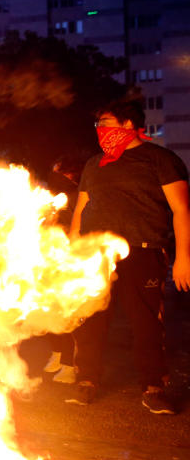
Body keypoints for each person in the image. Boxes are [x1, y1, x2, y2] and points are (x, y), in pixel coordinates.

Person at [67, 100, 190, 413]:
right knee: (90, 320)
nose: (100, 129)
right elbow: (82, 210)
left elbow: (181, 209)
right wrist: (72, 253)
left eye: (106, 122)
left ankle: (153, 387)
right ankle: (87, 380)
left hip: (143, 250)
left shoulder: (160, 159)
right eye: (98, 125)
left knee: (146, 323)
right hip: (96, 255)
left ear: (128, 125)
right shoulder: (95, 163)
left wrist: (183, 257)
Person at [43, 156, 83, 383]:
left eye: (61, 172)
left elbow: (74, 227)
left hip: (70, 260)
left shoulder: (78, 197)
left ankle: (70, 363)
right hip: (51, 260)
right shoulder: (54, 198)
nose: (55, 177)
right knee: (47, 311)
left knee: (69, 314)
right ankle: (58, 353)